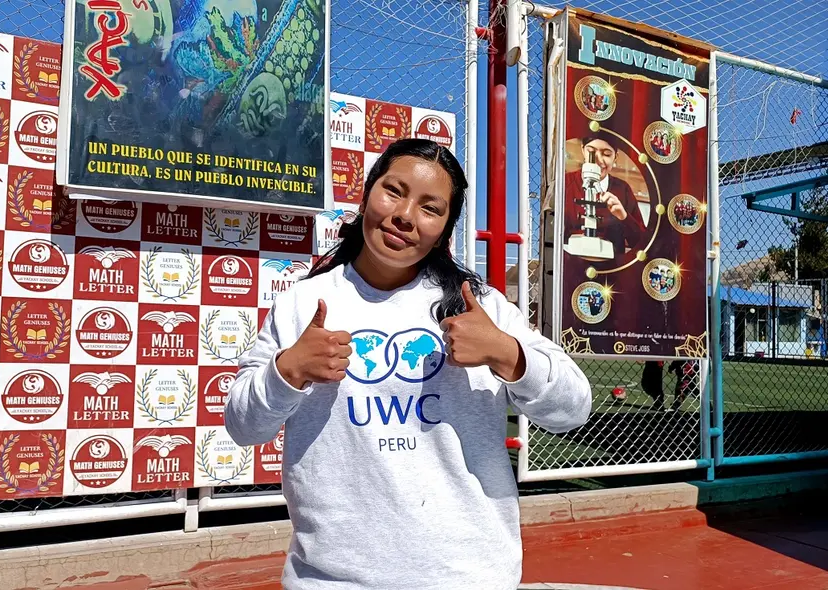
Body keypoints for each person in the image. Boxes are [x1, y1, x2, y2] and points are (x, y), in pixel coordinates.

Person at [225, 138, 592, 590]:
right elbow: (244, 426)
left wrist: (507, 354)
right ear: (365, 195)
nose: (404, 215)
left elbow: (573, 409)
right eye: (394, 191)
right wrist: (288, 371)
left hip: (466, 574)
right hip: (331, 578)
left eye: (430, 208)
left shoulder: (483, 308)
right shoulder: (302, 305)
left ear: (445, 228)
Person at [562, 133, 647, 261]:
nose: (599, 160)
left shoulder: (623, 189)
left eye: (607, 154)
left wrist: (624, 217)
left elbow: (641, 244)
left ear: (615, 157)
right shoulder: (565, 183)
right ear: (582, 150)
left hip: (611, 268)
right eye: (591, 152)